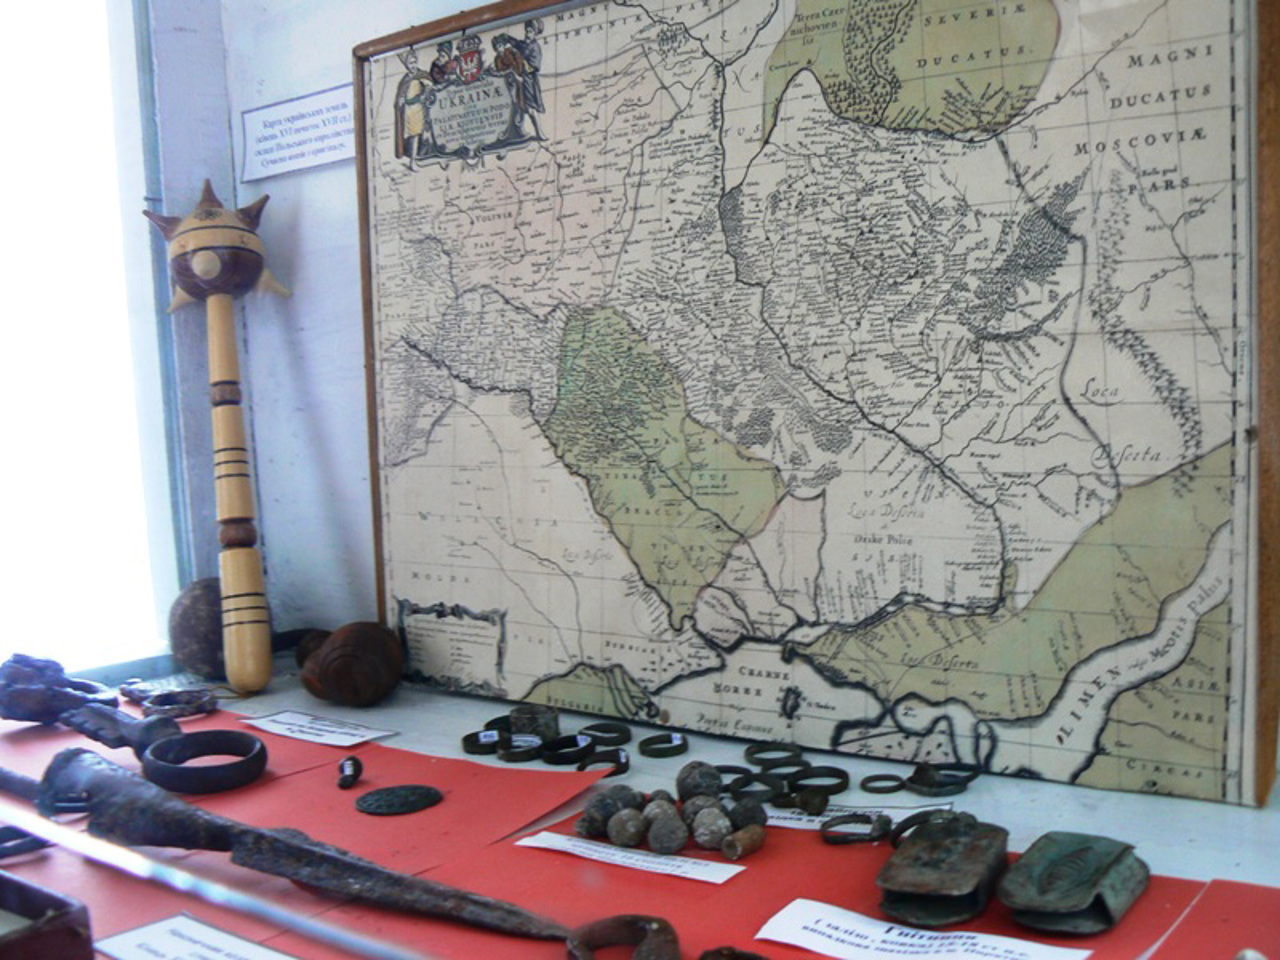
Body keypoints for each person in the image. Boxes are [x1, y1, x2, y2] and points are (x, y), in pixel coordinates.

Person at [394, 48, 430, 167]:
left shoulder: (422, 75)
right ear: (407, 65)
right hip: (410, 111)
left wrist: (426, 90)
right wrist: (401, 100)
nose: (413, 65)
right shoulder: (406, 79)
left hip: (421, 109)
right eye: (410, 63)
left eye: (414, 62)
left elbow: (430, 86)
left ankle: (420, 157)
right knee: (414, 136)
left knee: (422, 134)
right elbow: (401, 94)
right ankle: (412, 161)